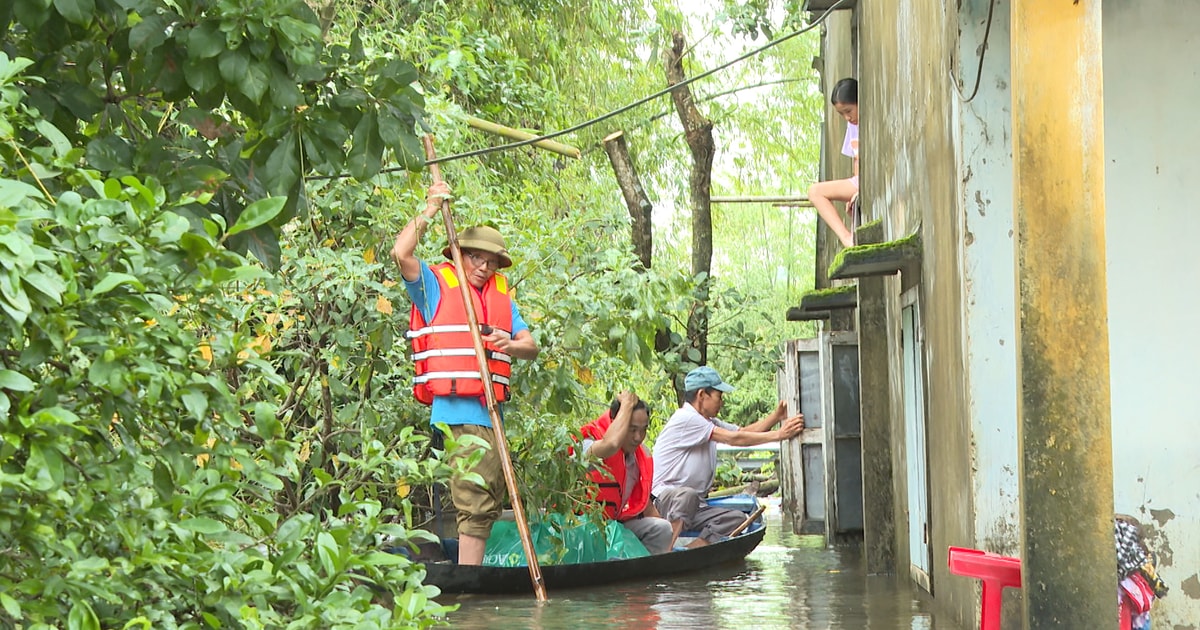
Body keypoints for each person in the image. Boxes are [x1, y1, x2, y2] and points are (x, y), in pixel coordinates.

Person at [391, 181, 540, 565]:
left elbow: (531, 346)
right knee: (475, 500)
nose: (483, 267)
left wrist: (509, 343)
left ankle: (472, 576)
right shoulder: (435, 286)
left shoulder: (500, 296)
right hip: (458, 412)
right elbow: (401, 252)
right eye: (476, 258)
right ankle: (470, 586)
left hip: (491, 413)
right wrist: (430, 207)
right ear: (460, 256)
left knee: (489, 500)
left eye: (490, 262)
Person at [652, 366, 804, 549]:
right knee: (688, 495)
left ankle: (690, 551)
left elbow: (742, 432)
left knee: (736, 519)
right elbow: (734, 439)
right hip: (668, 502)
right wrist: (779, 435)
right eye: (719, 396)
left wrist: (775, 417)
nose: (722, 402)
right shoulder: (686, 418)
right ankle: (666, 551)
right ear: (702, 395)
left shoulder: (707, 421)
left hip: (695, 506)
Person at [579, 391, 673, 555]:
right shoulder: (588, 444)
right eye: (631, 429)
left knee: (662, 529)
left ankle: (646, 575)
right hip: (579, 530)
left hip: (612, 529)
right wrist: (626, 405)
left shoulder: (637, 458)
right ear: (616, 423)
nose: (638, 437)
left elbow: (648, 507)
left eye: (643, 430)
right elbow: (611, 444)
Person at [808, 77, 859, 248]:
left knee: (815, 191)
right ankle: (846, 237)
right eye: (842, 114)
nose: (847, 117)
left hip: (865, 182)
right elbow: (856, 159)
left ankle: (847, 238)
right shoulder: (852, 126)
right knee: (815, 192)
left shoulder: (868, 122)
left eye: (849, 111)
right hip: (858, 181)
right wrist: (854, 192)